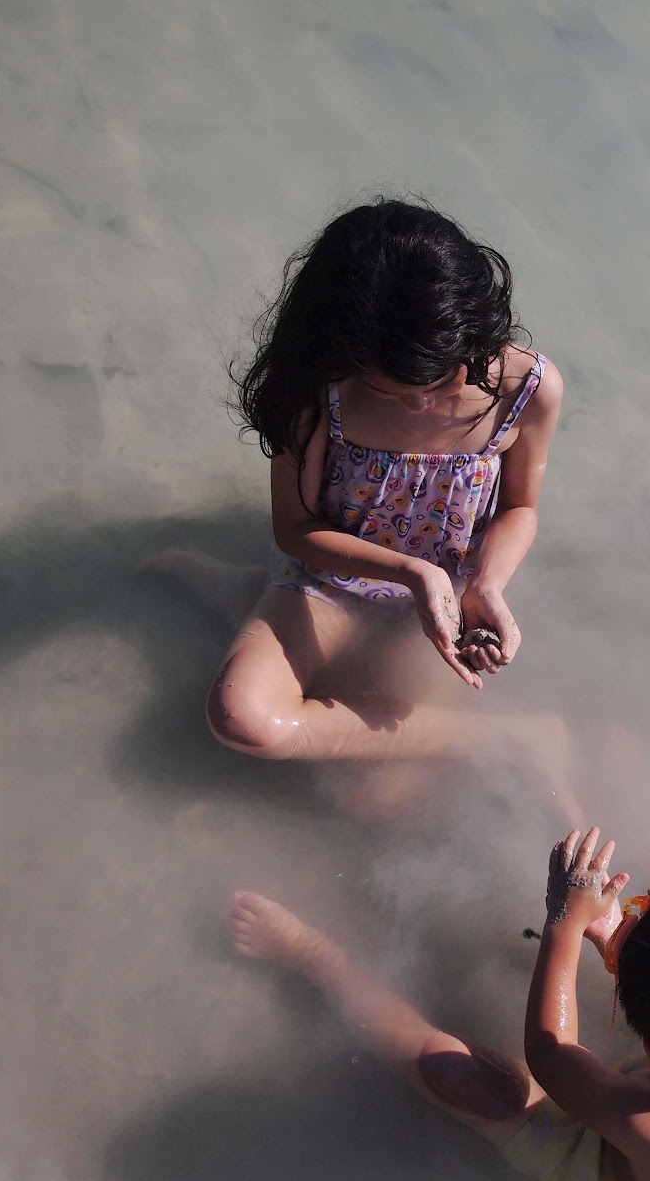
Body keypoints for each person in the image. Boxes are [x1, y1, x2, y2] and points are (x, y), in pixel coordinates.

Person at [147, 198, 572, 818]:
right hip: (331, 580)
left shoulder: (525, 389)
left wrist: (486, 584)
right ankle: (509, 737)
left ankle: (245, 598)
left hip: (449, 596)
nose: (423, 405)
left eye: (443, 381)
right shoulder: (318, 389)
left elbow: (521, 508)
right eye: (394, 391)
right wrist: (412, 572)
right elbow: (296, 528)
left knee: (375, 800)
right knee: (244, 718)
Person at [227, 828, 650, 1181]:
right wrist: (614, 938)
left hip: (595, 1175)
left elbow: (551, 1054)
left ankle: (316, 958)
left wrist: (563, 925)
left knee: (468, 1081)